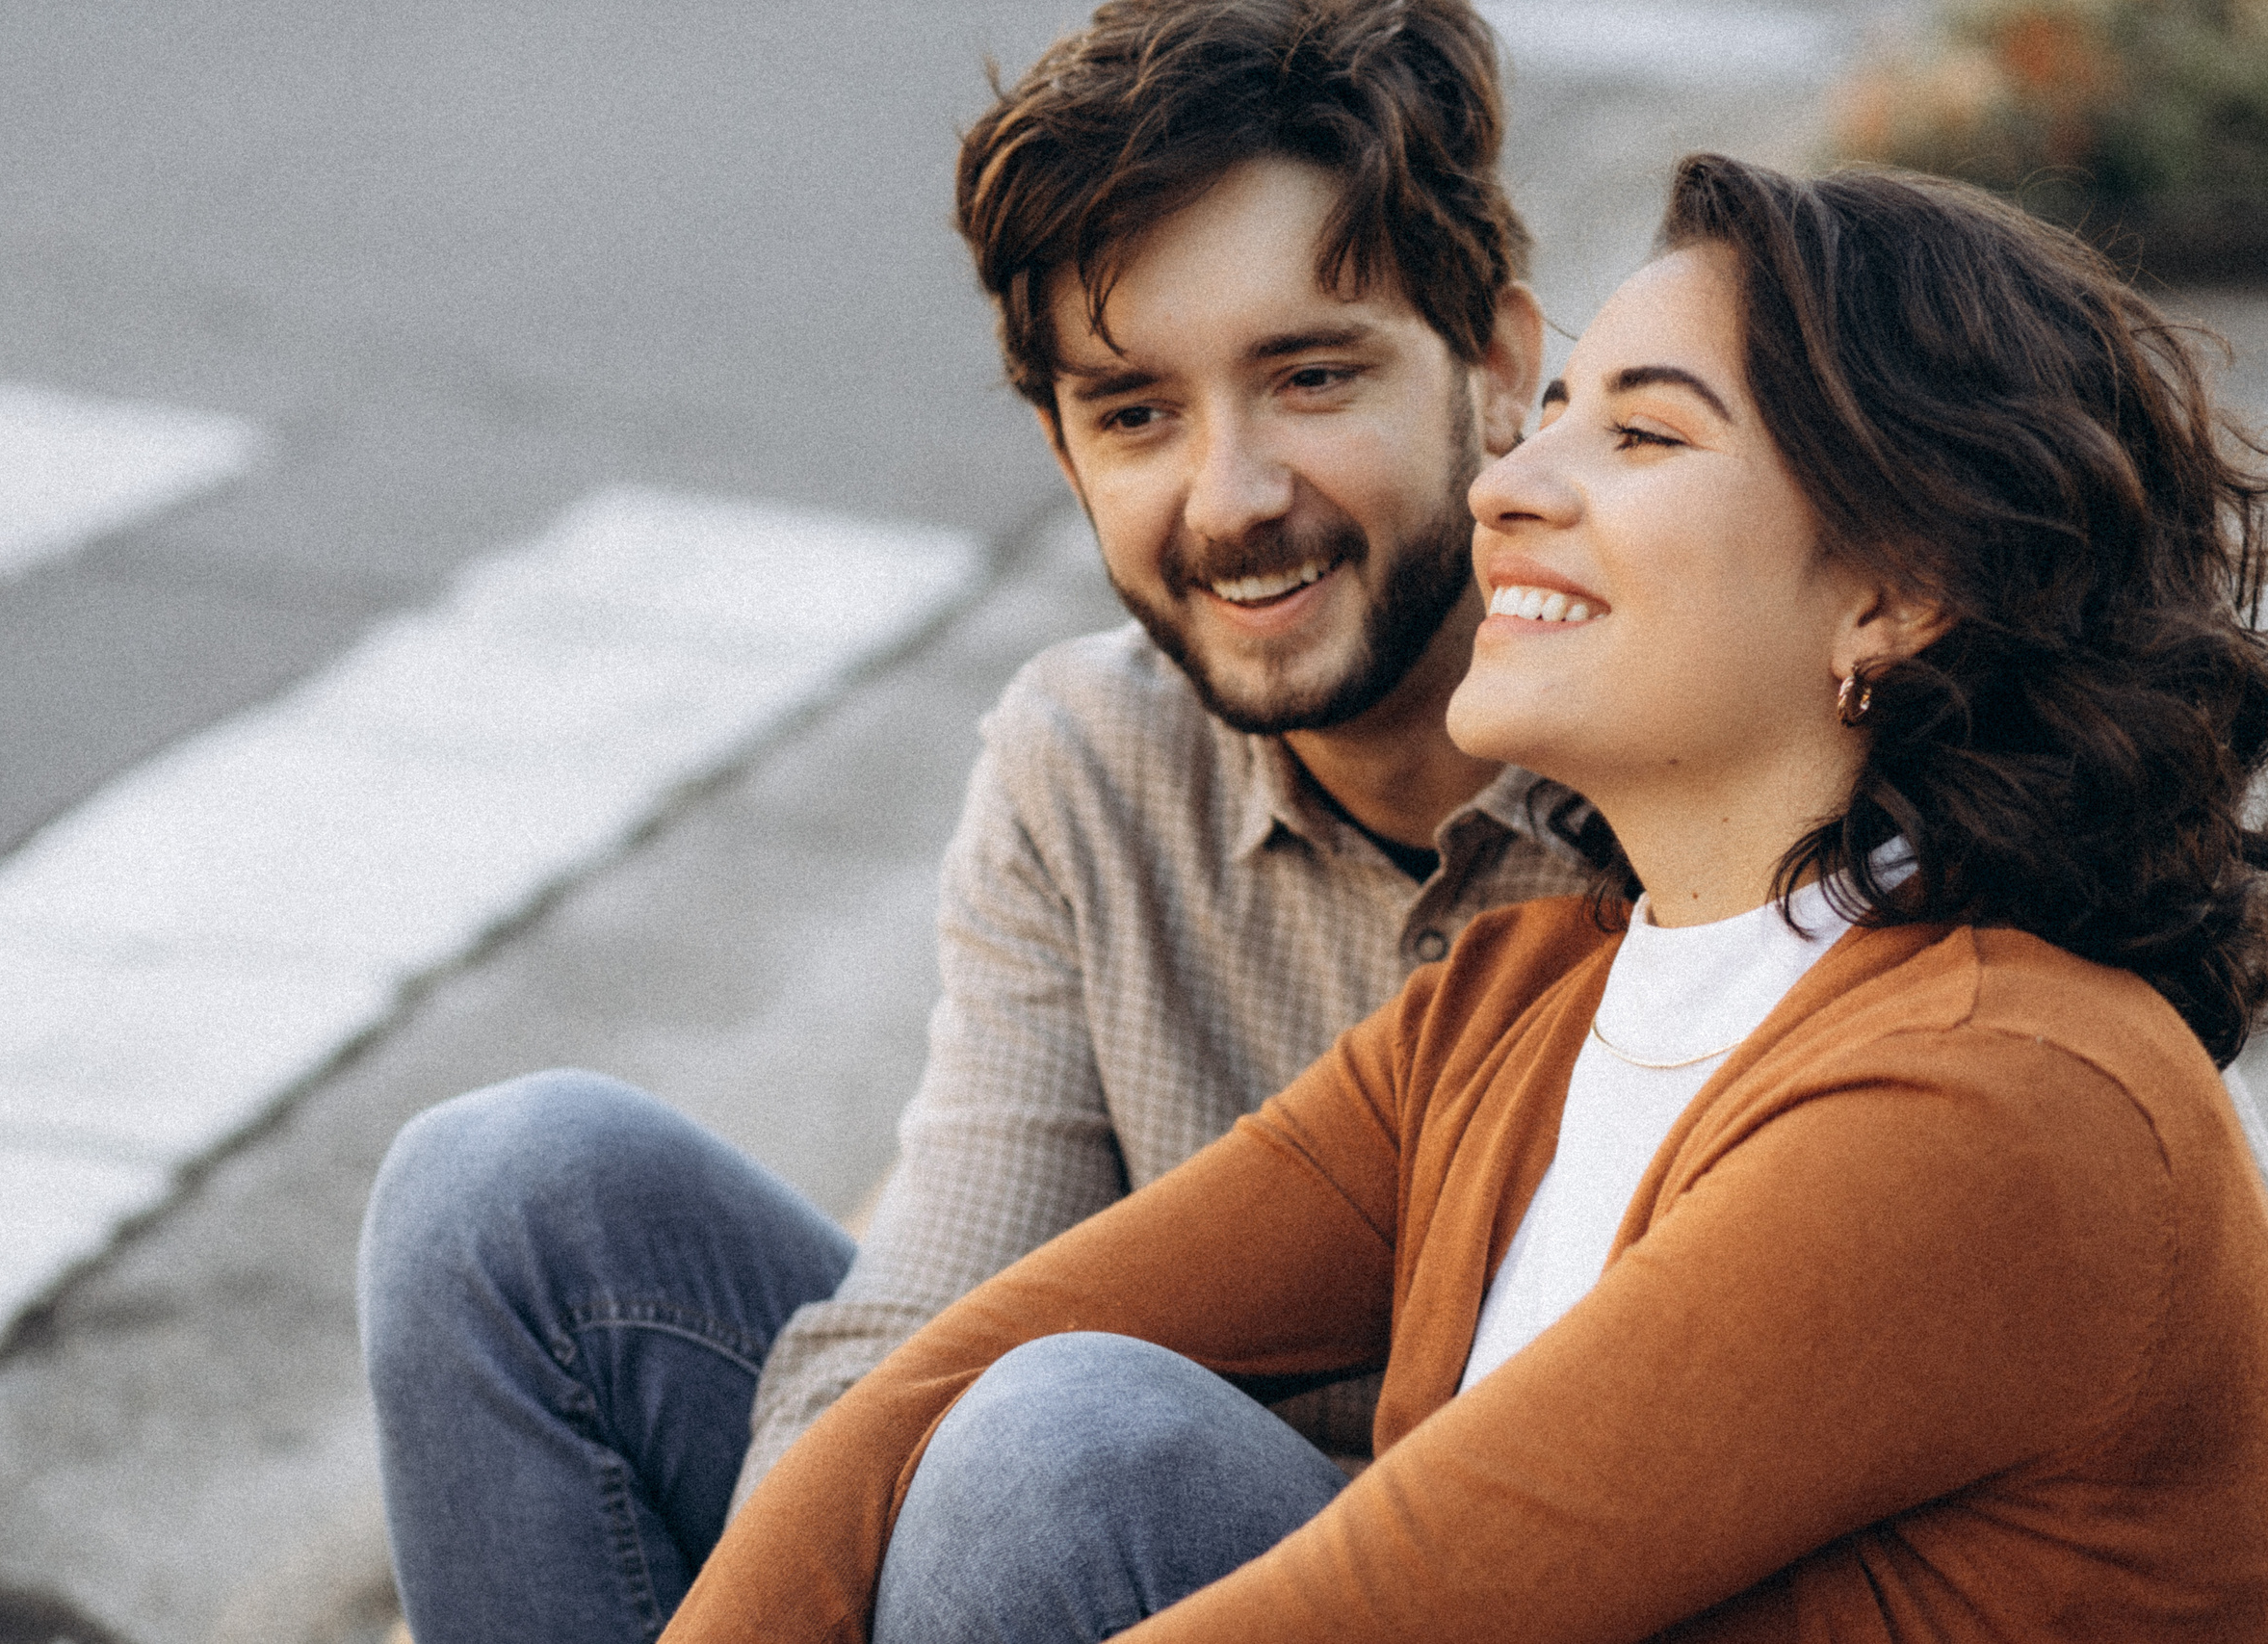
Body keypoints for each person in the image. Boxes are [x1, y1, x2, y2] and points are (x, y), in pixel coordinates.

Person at [664, 154, 2268, 1642]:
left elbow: (1367, 1615)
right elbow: (917, 1386)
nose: (1510, 485)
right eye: (1552, 409)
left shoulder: (2003, 1096)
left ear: (1898, 588)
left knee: (1060, 1451)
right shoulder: (1524, 1004)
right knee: (992, 1397)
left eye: (1642, 433)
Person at [356, 2, 1592, 1638]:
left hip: (1500, 1583)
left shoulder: (1669, 749)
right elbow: (924, 1321)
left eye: (1309, 375)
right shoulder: (1087, 759)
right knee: (503, 1194)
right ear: (1060, 447)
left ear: (1496, 368)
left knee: (1055, 1447)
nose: (1231, 497)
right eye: (1136, 412)